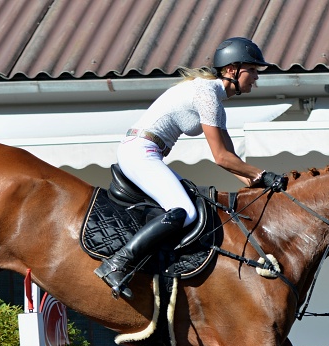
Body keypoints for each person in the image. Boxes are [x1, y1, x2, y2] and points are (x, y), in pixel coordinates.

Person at [95, 36, 289, 299]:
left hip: (146, 151)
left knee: (190, 204)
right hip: (140, 152)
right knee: (183, 211)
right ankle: (116, 263)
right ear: (232, 70)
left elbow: (232, 159)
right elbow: (221, 158)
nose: (256, 77)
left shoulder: (214, 99)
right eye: (252, 70)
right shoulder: (207, 94)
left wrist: (255, 183)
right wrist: (263, 175)